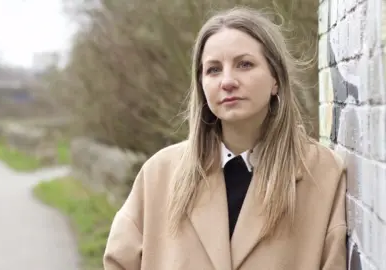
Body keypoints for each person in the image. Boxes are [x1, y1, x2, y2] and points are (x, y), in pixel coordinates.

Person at [103, 6, 347, 270]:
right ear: (201, 84)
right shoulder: (159, 173)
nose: (227, 81)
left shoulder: (321, 172)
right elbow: (119, 260)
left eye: (245, 64)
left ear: (275, 78)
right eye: (213, 69)